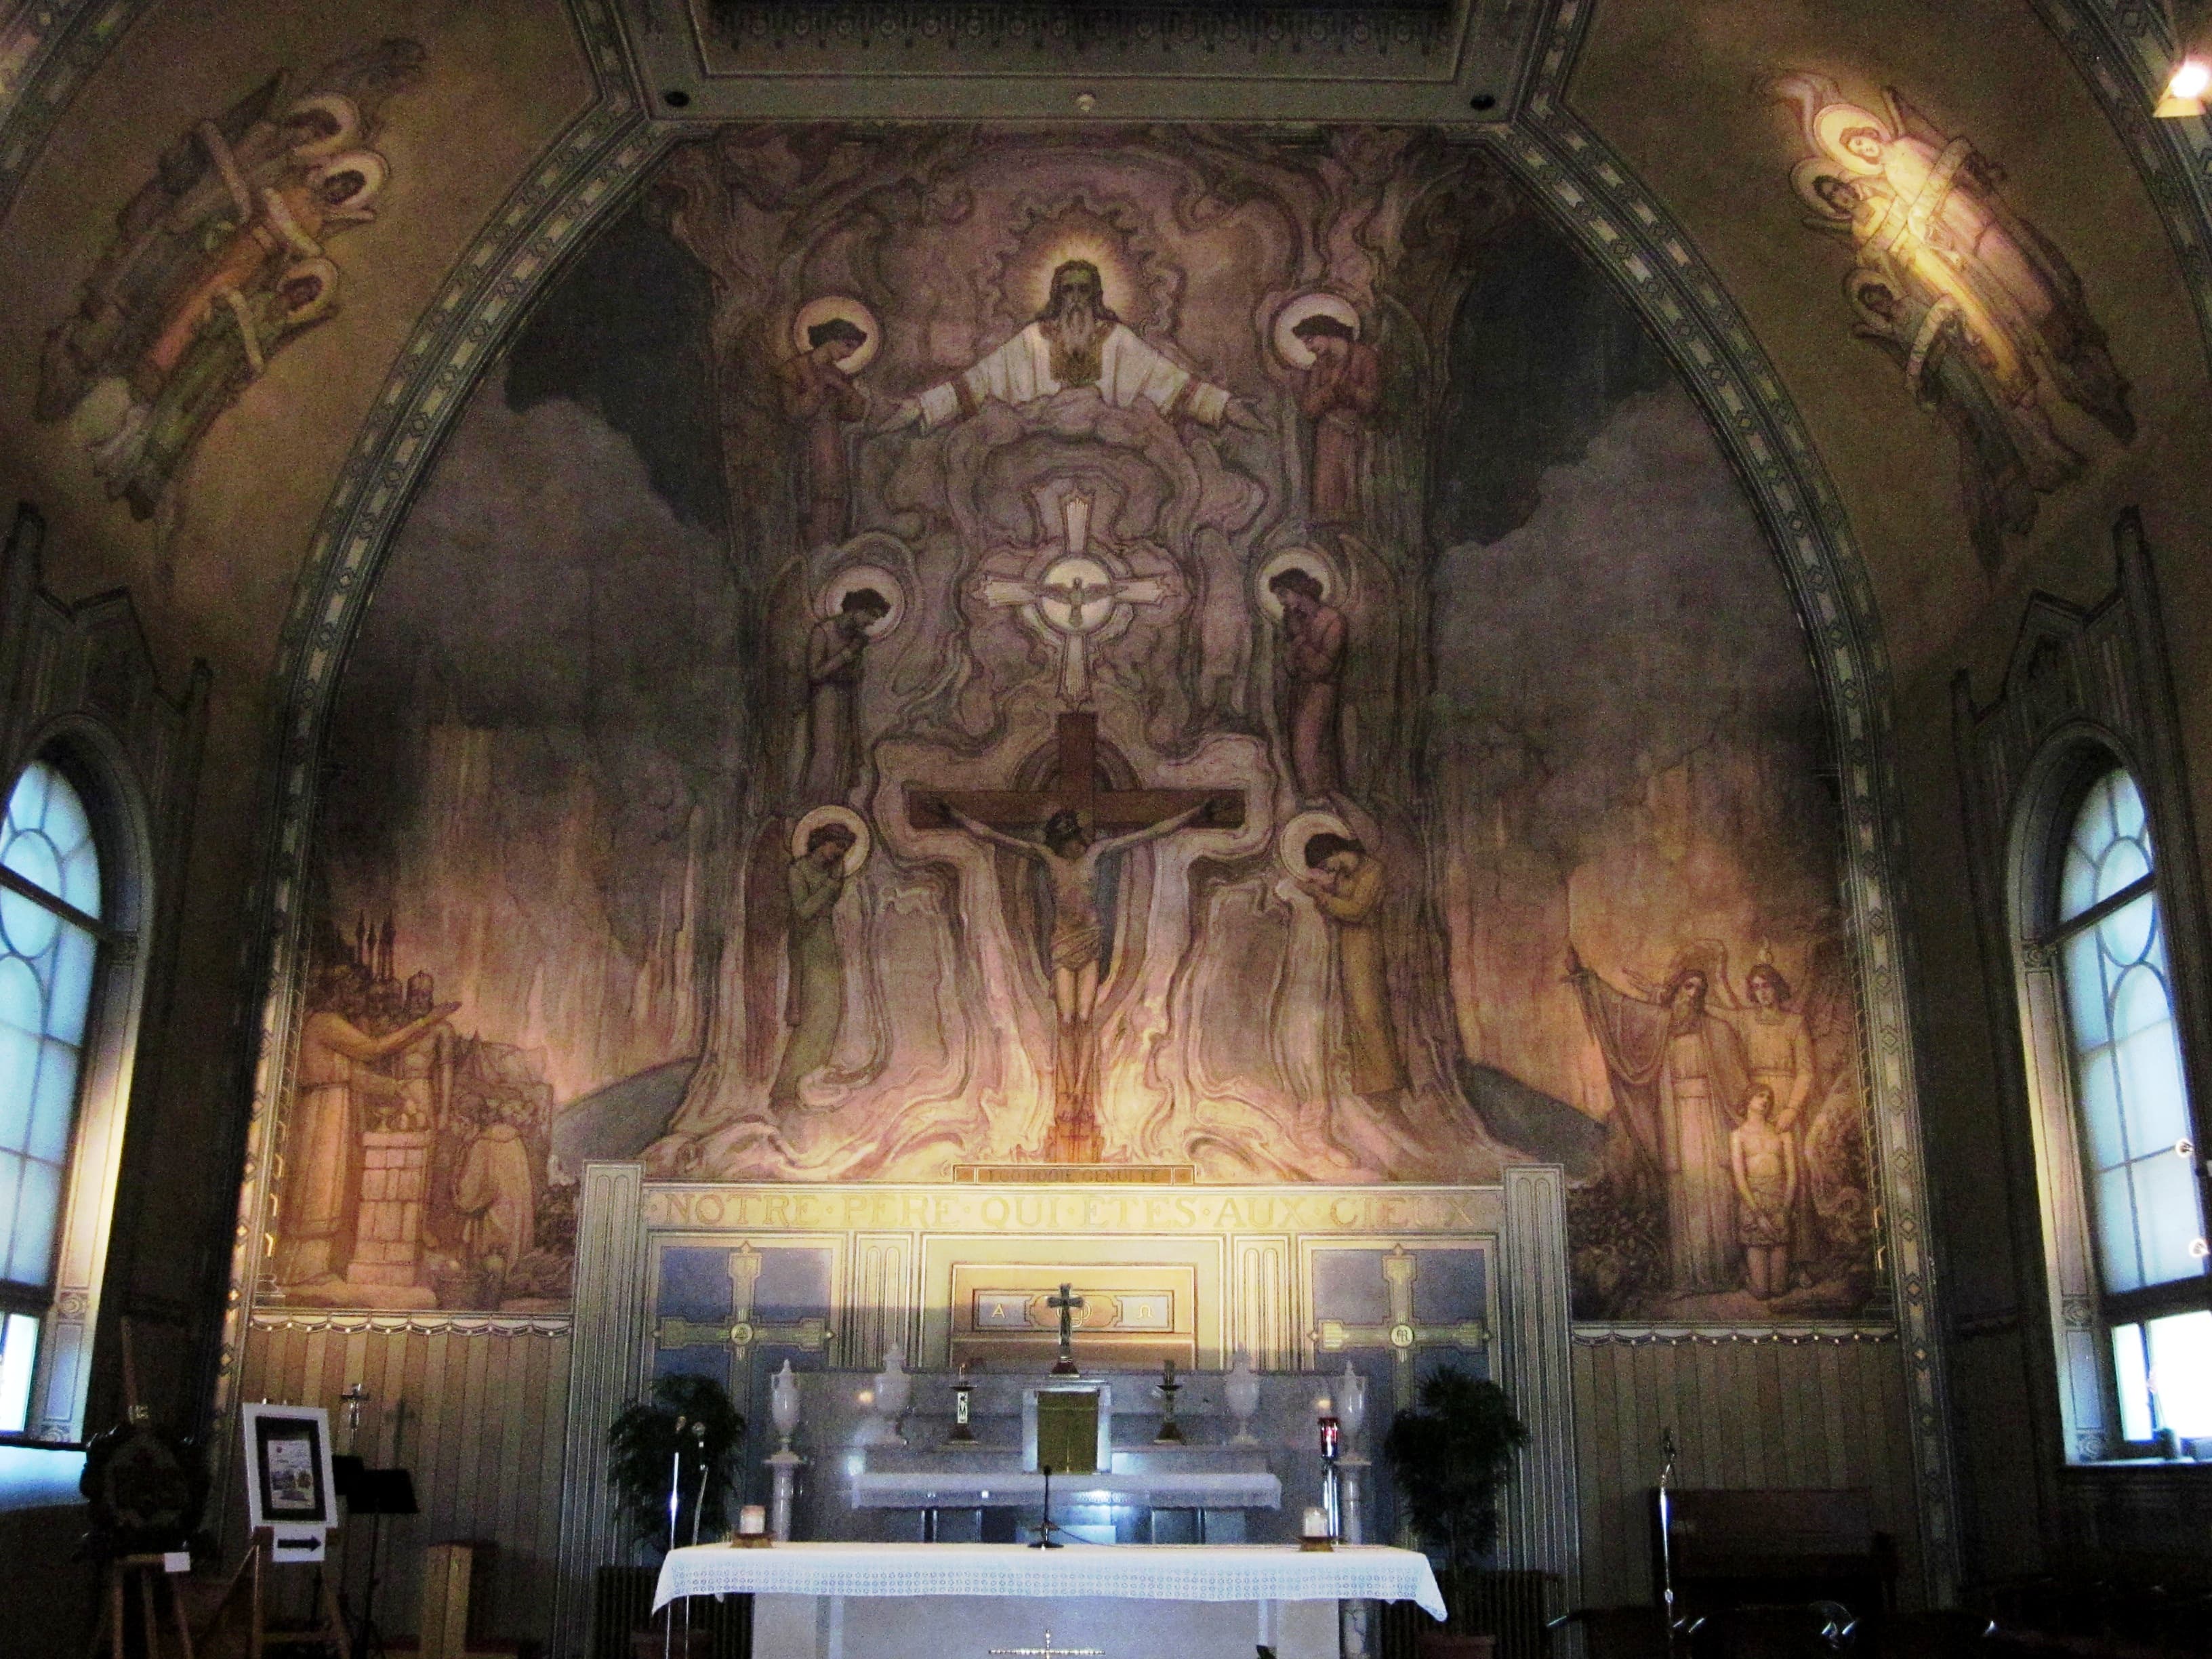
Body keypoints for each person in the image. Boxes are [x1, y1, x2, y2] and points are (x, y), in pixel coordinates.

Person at [945, 796, 1216, 1115]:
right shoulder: (1048, 858)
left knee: (1085, 1019)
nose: (1074, 846)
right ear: (1060, 840)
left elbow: (1149, 833)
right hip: (1062, 943)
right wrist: (959, 818)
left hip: (1089, 943)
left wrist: (1192, 815)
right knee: (1066, 1019)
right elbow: (995, 836)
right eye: (1068, 840)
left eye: (1075, 839)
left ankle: (1078, 1088)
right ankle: (1068, 1085)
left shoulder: (1097, 854)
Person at [884, 260, 1266, 433]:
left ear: (1097, 295)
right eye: (1069, 290)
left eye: (1085, 290)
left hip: (1108, 440)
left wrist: (1225, 406)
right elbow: (977, 383)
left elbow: (1172, 383)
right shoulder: (1033, 340)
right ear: (1057, 295)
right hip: (1038, 437)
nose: (1077, 299)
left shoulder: (1117, 340)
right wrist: (920, 408)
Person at [1568, 947, 1755, 1294]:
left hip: (1709, 1121)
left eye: (1700, 989)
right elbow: (1622, 1011)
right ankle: (1688, 1277)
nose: (1693, 995)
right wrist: (1590, 985)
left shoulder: (1716, 1030)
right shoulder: (1660, 1026)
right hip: (1678, 1120)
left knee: (1714, 1187)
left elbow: (1734, 1080)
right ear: (1678, 988)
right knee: (1685, 1191)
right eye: (1688, 987)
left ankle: (1721, 1273)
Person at [273, 965, 456, 1286]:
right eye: (355, 991)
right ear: (340, 991)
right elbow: (373, 1050)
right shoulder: (326, 1023)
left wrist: (394, 1089)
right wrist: (426, 1022)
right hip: (322, 1113)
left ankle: (318, 1266)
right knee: (319, 1186)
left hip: (336, 1108)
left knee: (334, 1187)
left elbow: (355, 1075)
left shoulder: (333, 1024)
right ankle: (302, 1269)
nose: (360, 998)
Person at [1299, 833, 1407, 1097]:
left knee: (1369, 1013)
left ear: (1336, 852)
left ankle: (1385, 1082)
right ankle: (1368, 1084)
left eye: (1327, 865)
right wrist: (1322, 888)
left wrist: (1321, 897)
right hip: (1349, 946)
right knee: (1355, 1015)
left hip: (1366, 947)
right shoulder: (1346, 874)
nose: (1328, 871)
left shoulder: (1372, 871)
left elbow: (1356, 911)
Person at [769, 821, 859, 1107]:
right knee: (812, 1018)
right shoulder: (799, 871)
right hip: (807, 948)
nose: (839, 854)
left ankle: (810, 1082)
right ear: (823, 841)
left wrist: (835, 881)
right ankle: (786, 1087)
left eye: (844, 850)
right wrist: (832, 885)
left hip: (826, 946)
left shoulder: (829, 872)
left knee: (830, 1013)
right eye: (838, 846)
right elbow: (804, 911)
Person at [776, 316, 870, 548]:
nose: (849, 354)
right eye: (847, 345)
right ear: (830, 339)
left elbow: (855, 414)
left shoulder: (838, 376)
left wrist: (843, 389)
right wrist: (819, 389)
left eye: (854, 350)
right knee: (807, 503)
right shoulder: (793, 369)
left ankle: (828, 552)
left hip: (832, 447)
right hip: (804, 447)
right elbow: (792, 412)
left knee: (834, 500)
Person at [799, 587, 891, 804]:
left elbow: (855, 672)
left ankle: (836, 807)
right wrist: (848, 654)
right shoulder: (823, 632)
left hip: (846, 697)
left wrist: (855, 671)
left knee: (845, 755)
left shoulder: (857, 638)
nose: (872, 622)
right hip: (825, 699)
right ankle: (815, 806)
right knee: (826, 755)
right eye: (872, 615)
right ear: (858, 610)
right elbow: (815, 673)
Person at [1290, 312, 1378, 527]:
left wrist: (1346, 389)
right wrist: (1329, 392)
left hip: (1358, 438)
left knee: (1356, 496)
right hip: (1328, 442)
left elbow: (1372, 401)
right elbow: (1309, 409)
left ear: (1327, 333)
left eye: (1310, 340)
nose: (1308, 348)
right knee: (1328, 503)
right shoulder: (1320, 366)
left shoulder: (1364, 357)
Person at [1269, 567, 1347, 800]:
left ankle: (1320, 802)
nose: (1281, 601)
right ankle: (1310, 803)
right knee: (1297, 750)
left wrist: (1300, 640)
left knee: (1309, 749)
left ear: (1299, 590)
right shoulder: (1294, 621)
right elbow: (1291, 667)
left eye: (1284, 594)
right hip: (1299, 692)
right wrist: (1293, 640)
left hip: (1321, 693)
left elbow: (1322, 667)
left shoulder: (1333, 620)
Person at [1730, 1086, 1798, 1299]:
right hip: (1754, 1204)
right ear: (1748, 1099)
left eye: (1769, 1097)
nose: (1765, 1100)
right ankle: (1745, 1273)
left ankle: (1793, 1273)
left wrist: (1784, 1212)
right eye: (1760, 1095)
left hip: (1779, 1201)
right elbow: (1740, 1179)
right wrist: (1758, 1216)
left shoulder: (1782, 1134)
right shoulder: (1737, 1135)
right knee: (1761, 1293)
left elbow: (1793, 1176)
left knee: (1779, 1290)